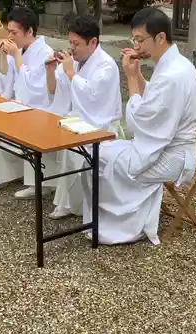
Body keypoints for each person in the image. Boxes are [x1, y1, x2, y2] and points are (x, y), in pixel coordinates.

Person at [81, 7, 196, 245]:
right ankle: (108, 219)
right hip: (163, 145)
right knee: (96, 153)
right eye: (133, 39)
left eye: (140, 40)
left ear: (160, 37)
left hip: (172, 155)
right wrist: (137, 76)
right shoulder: (174, 63)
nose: (136, 46)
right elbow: (154, 101)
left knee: (97, 159)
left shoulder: (172, 74)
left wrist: (130, 77)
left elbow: (140, 123)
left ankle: (124, 226)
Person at [0, 7, 58, 196]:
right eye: (9, 31)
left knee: (0, 125)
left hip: (39, 107)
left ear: (30, 31)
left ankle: (29, 182)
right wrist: (3, 55)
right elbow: (5, 84)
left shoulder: (45, 52)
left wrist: (16, 56)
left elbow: (35, 89)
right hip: (19, 103)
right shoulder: (21, 49)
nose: (10, 36)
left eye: (14, 32)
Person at [45, 15, 122, 219]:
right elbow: (57, 92)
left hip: (101, 124)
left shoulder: (107, 66)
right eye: (70, 42)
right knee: (62, 137)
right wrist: (53, 70)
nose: (72, 48)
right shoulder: (77, 61)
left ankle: (78, 204)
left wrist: (70, 74)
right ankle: (68, 201)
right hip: (80, 120)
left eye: (76, 44)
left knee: (73, 148)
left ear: (93, 42)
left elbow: (94, 98)